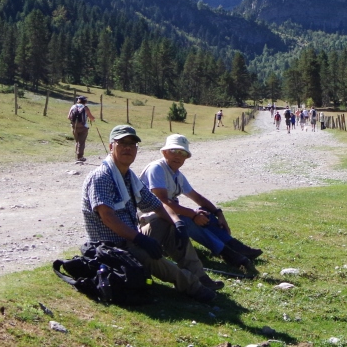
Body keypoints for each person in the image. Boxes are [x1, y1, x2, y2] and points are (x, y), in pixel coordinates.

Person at [80, 124, 221, 303]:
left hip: (131, 239)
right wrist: (141, 239)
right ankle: (194, 286)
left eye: (132, 144)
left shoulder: (129, 177)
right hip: (112, 247)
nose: (128, 148)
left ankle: (200, 276)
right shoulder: (102, 177)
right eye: (122, 143)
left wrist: (177, 223)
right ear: (111, 146)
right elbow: (108, 217)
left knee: (168, 224)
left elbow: (158, 205)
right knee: (152, 256)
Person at [140, 134, 263, 274]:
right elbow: (162, 202)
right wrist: (193, 215)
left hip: (168, 216)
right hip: (150, 220)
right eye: (174, 151)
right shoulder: (157, 168)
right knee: (188, 220)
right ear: (164, 152)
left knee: (204, 212)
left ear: (186, 157)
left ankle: (237, 248)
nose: (178, 156)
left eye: (183, 153)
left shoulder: (177, 175)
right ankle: (230, 255)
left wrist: (218, 213)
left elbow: (197, 197)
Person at [68, 96, 95, 162]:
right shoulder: (85, 108)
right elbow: (91, 118)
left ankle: (76, 155)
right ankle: (80, 157)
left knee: (77, 141)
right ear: (85, 101)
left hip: (74, 126)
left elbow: (69, 117)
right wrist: (93, 119)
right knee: (81, 142)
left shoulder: (73, 106)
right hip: (83, 127)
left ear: (78, 100)